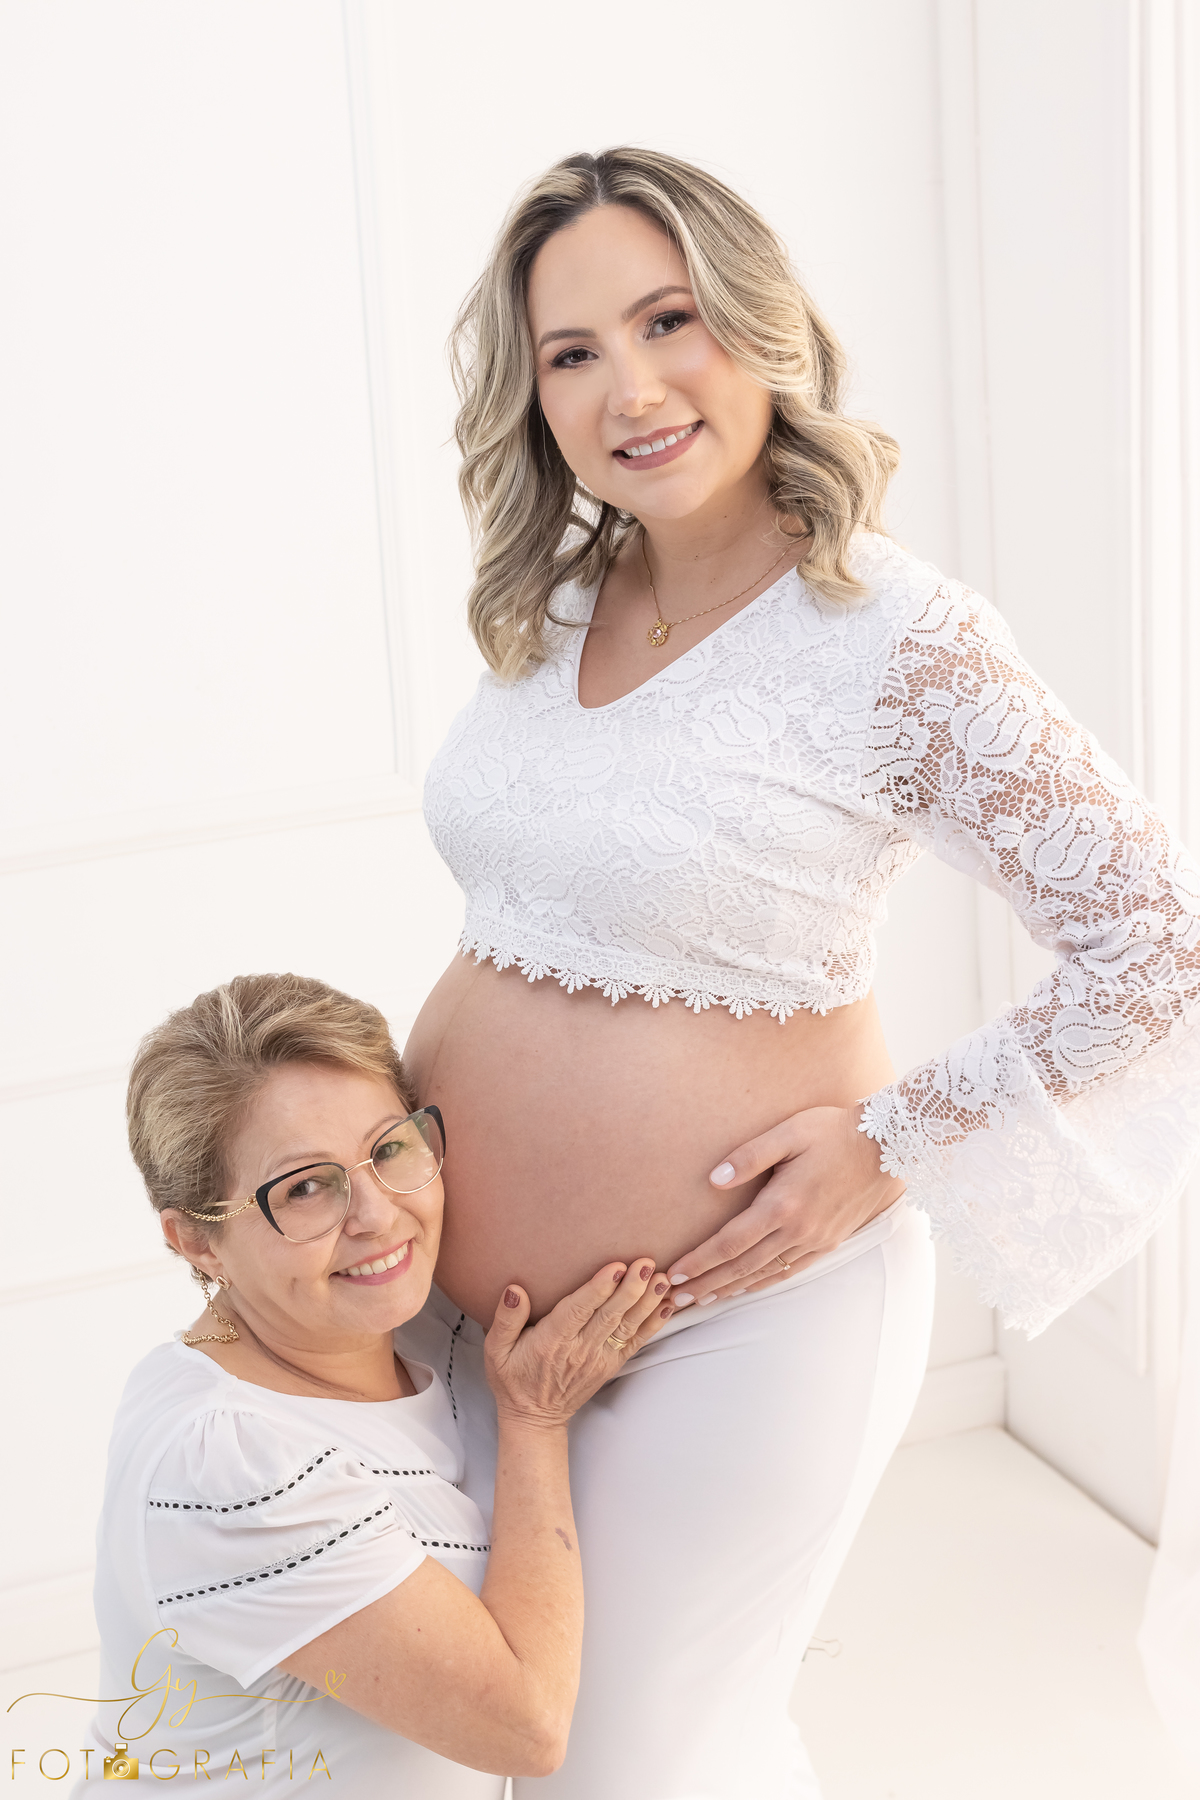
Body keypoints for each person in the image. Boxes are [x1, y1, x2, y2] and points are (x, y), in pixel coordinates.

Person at [405, 147, 1200, 1797]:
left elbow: (1158, 940)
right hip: (468, 1325)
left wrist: (894, 1140)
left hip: (734, 1326)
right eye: (571, 352)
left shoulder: (897, 639)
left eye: (669, 319)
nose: (630, 386)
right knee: (467, 1733)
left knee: (618, 1765)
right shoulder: (553, 604)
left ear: (756, 324)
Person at [76, 973, 671, 1798]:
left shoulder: (401, 1335)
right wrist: (535, 1420)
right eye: (307, 1187)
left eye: (390, 1149)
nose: (379, 1216)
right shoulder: (229, 1462)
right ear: (199, 1244)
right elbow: (522, 1725)